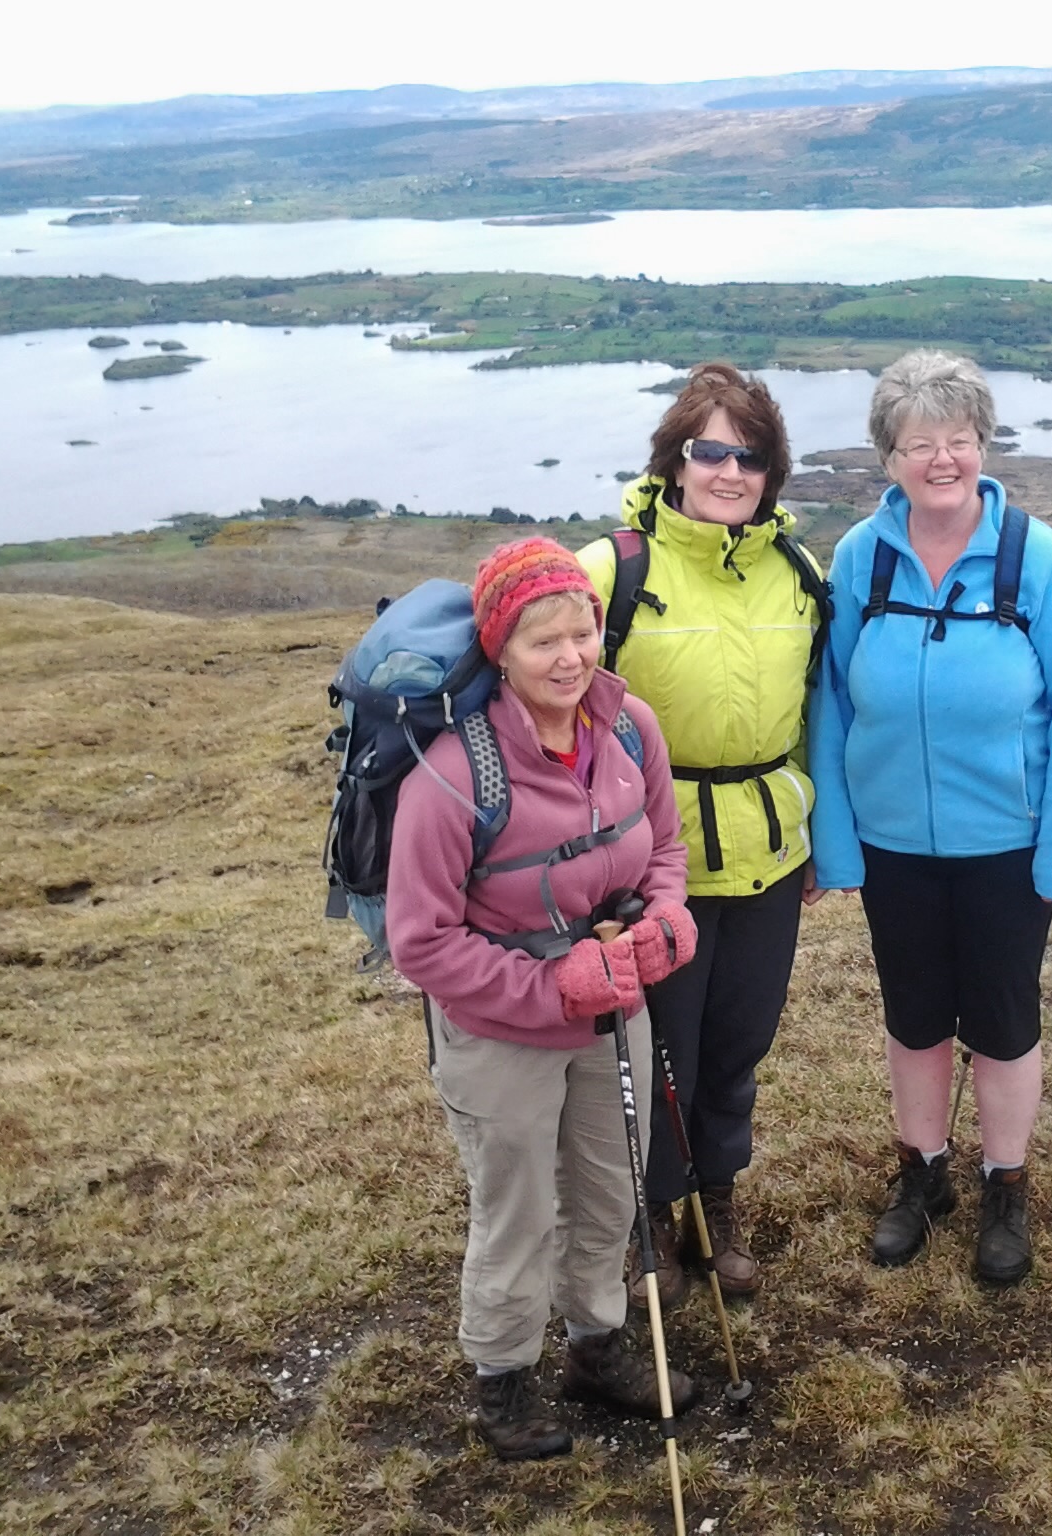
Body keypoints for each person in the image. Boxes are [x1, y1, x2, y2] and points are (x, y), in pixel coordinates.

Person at [386, 536, 702, 1462]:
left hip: (616, 1003)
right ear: (499, 650)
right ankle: (503, 1379)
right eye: (542, 643)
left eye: (584, 631)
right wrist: (549, 984)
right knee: (516, 1203)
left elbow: (667, 850)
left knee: (610, 1186)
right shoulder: (452, 774)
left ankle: (597, 1348)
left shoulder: (631, 727)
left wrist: (666, 926)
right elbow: (422, 942)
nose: (572, 657)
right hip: (500, 1030)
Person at [809, 349, 1052, 1287]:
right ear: (888, 457)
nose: (941, 460)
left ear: (983, 443)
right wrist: (838, 841)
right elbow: (832, 704)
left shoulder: (1034, 558)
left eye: (959, 440)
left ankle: (1005, 1184)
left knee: (1004, 1020)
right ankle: (923, 1174)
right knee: (913, 1016)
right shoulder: (861, 558)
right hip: (895, 843)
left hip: (1007, 847)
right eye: (917, 444)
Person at [579, 363, 826, 1307]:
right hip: (651, 861)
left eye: (749, 456)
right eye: (709, 450)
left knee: (738, 1042)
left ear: (771, 471)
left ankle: (713, 1203)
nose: (728, 471)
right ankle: (647, 1212)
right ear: (675, 459)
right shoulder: (617, 569)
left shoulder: (799, 573)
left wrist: (815, 832)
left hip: (768, 852)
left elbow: (813, 712)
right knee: (654, 1053)